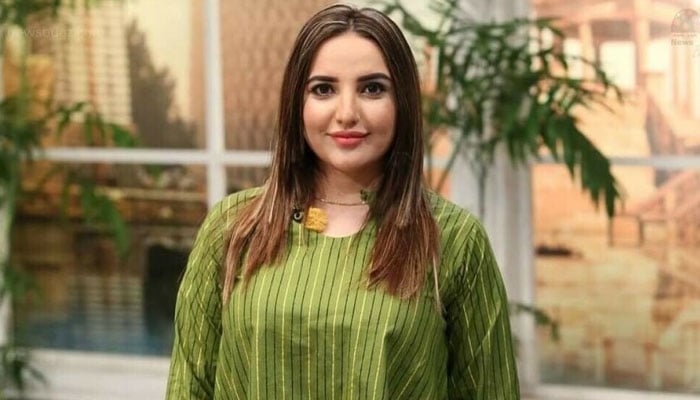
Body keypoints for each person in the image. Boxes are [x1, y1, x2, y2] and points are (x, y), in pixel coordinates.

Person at [166, 4, 519, 399]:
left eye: (372, 88)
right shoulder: (233, 227)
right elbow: (189, 389)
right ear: (297, 105)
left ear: (402, 102)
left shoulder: (455, 239)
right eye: (323, 89)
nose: (347, 113)